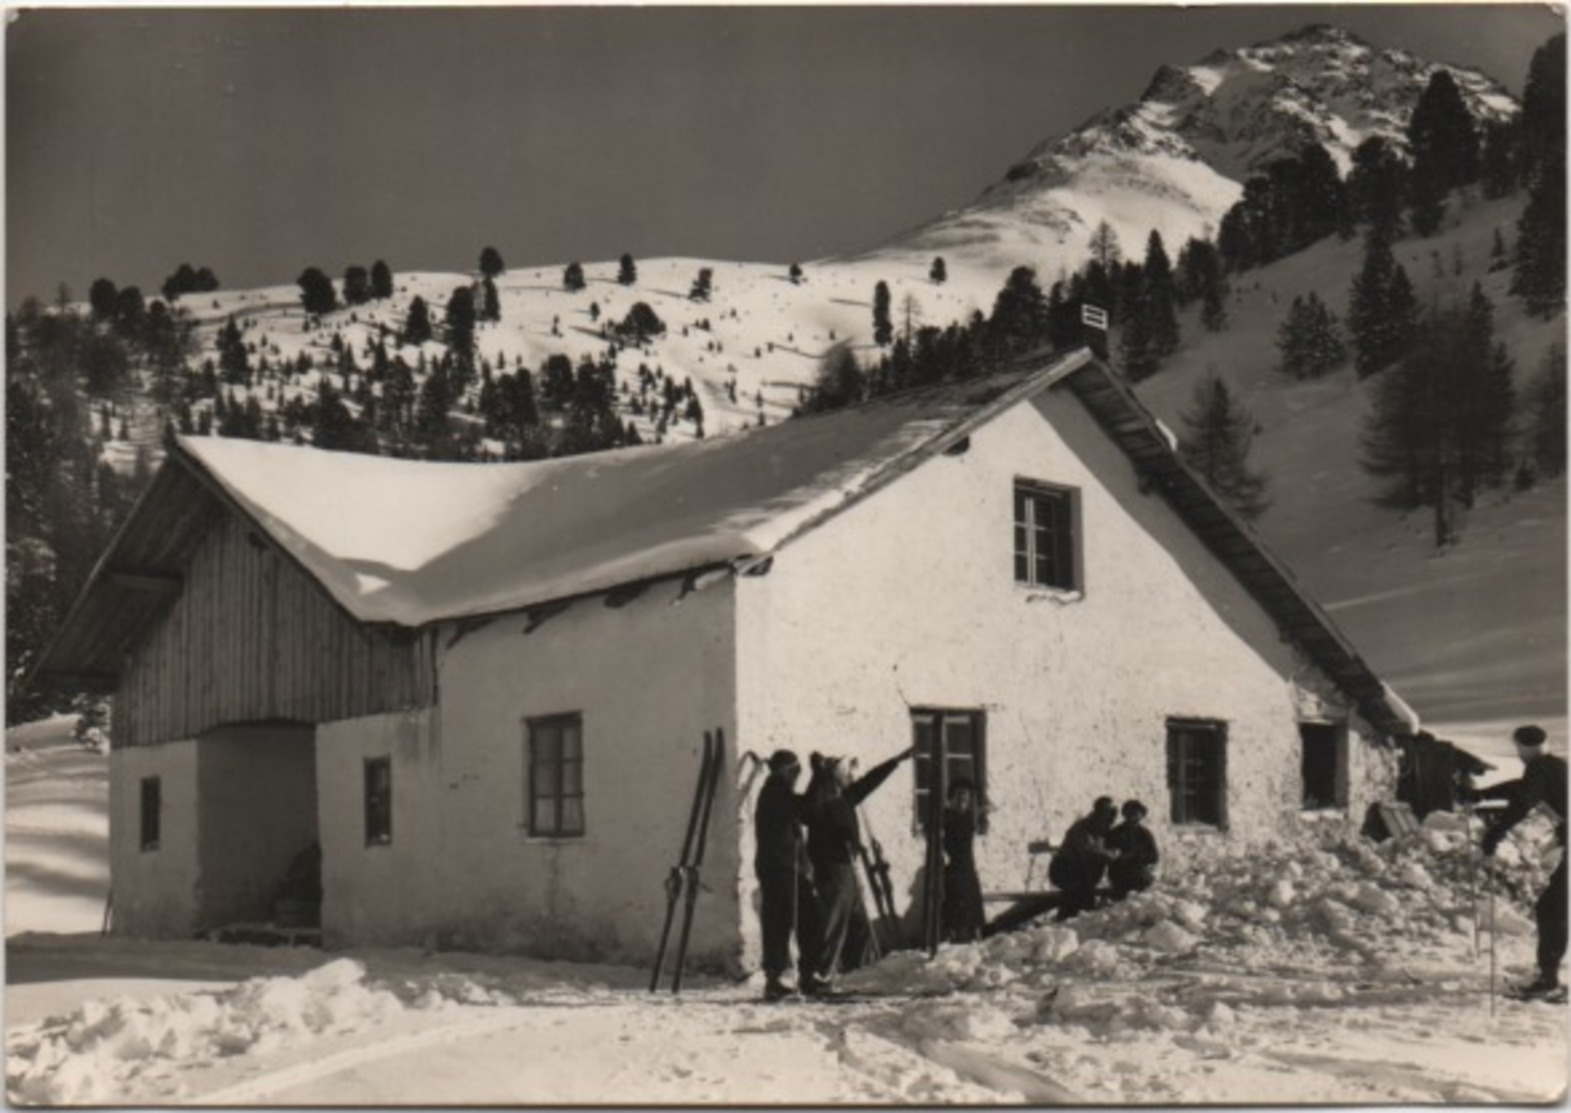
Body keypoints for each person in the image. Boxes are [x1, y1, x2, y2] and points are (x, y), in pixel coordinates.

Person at [802, 746, 913, 992]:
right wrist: (846, 841)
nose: (848, 776)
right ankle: (821, 976)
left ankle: (863, 972)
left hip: (848, 872)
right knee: (834, 924)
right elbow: (816, 833)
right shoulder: (821, 804)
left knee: (860, 923)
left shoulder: (846, 797)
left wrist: (896, 759)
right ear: (834, 777)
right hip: (833, 871)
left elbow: (871, 780)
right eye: (843, 772)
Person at [1472, 725, 1567, 999]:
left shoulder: (1538, 768)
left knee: (1553, 910)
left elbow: (1523, 801)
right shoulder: (1553, 765)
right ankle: (1547, 974)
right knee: (1555, 908)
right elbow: (1522, 789)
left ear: (1522, 748)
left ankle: (1547, 981)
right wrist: (1484, 793)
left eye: (1518, 749)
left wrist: (1493, 836)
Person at [753, 749, 820, 1001]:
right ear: (787, 771)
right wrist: (819, 775)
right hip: (780, 869)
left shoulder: (778, 792)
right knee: (782, 923)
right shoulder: (776, 792)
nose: (797, 777)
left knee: (803, 919)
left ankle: (800, 975)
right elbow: (808, 810)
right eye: (797, 772)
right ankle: (778, 979)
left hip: (785, 868)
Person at [1048, 796, 1120, 921]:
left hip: (1084, 874)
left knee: (1083, 893)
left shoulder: (1104, 830)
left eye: (1112, 813)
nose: (1110, 818)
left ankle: (1071, 920)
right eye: (1106, 813)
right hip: (1065, 870)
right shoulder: (1083, 828)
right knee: (1080, 894)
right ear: (1097, 812)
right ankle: (1066, 923)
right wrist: (1108, 855)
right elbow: (1088, 852)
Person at [941, 778, 986, 943]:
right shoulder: (946, 817)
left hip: (968, 865)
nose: (963, 801)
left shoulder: (968, 817)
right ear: (952, 798)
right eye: (959, 796)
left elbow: (985, 812)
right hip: (954, 866)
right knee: (955, 904)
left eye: (966, 797)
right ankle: (954, 937)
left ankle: (975, 937)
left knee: (972, 904)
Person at [1106, 799, 1159, 900]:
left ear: (1141, 816)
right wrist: (1118, 856)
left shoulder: (1144, 834)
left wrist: (1135, 856)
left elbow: (1154, 856)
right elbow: (1108, 852)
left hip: (1139, 873)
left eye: (1136, 814)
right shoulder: (1116, 832)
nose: (1133, 817)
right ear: (1125, 814)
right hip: (1120, 873)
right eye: (1130, 814)